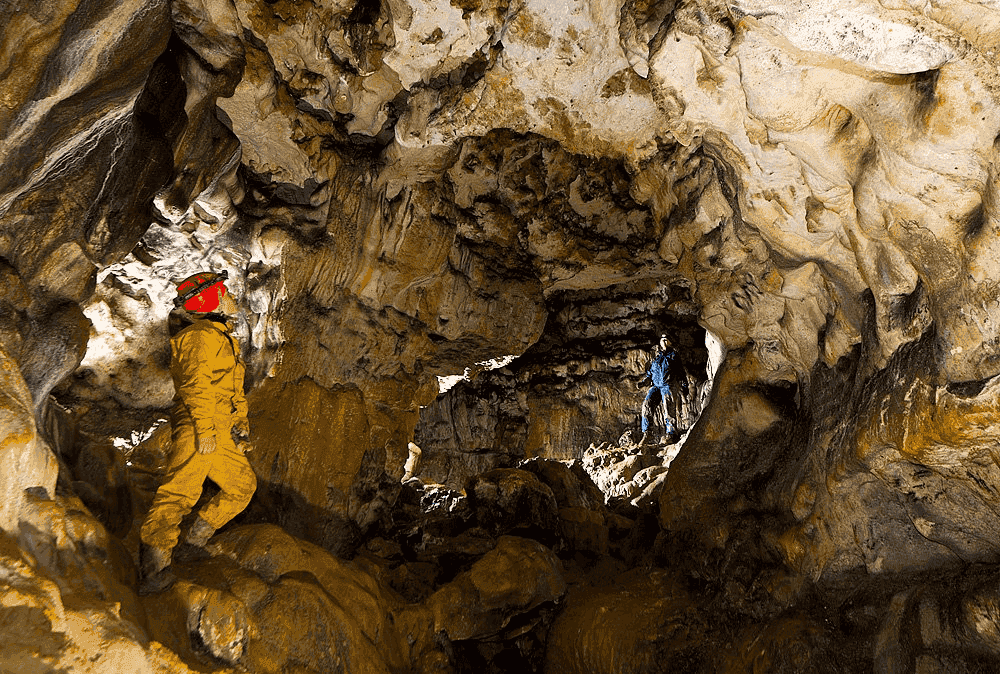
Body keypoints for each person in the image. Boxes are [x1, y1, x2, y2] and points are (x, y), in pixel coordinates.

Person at [138, 270, 256, 594]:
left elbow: (232, 390)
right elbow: (195, 385)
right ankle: (153, 568)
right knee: (179, 492)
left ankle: (191, 542)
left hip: (219, 426)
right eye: (224, 290)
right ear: (209, 298)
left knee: (243, 485)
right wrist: (205, 429)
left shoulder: (221, 336)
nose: (230, 295)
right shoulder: (199, 336)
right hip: (198, 423)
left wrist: (240, 425)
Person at [637, 335, 680, 446]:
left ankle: (671, 433)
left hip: (668, 385)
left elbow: (681, 372)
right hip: (656, 386)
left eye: (666, 339)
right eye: (662, 339)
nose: (664, 341)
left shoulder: (674, 356)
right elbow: (650, 373)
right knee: (647, 404)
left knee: (668, 407)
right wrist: (644, 381)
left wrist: (684, 386)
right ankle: (647, 433)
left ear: (670, 342)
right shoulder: (657, 357)